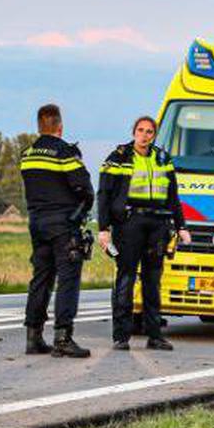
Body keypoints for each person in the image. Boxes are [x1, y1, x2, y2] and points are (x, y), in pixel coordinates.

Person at [98, 115, 189, 350]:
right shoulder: (119, 157)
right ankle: (121, 336)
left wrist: (181, 226)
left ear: (154, 134)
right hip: (129, 224)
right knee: (126, 278)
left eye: (149, 131)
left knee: (153, 280)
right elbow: (104, 195)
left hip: (157, 224)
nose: (144, 135)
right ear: (133, 132)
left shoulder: (162, 158)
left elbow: (173, 196)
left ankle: (155, 335)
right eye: (140, 130)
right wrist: (103, 229)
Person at [20, 102, 94, 358]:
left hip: (36, 223)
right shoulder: (65, 153)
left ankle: (33, 336)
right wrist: (80, 212)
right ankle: (63, 337)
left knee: (41, 278)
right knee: (67, 279)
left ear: (40, 126)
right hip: (63, 223)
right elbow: (84, 188)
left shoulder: (27, 154)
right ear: (60, 127)